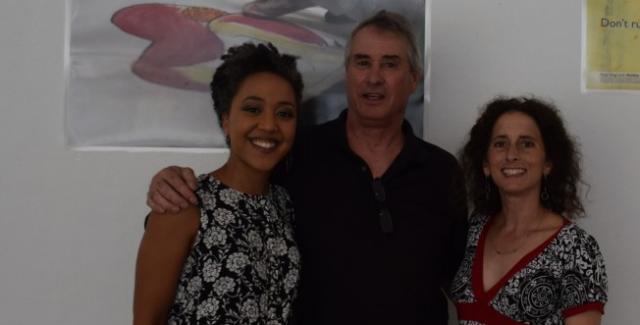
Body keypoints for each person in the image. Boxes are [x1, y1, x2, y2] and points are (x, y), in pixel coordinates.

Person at [146, 11, 468, 324]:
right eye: (362, 62)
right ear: (347, 73)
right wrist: (171, 186)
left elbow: (461, 277)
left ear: (414, 78)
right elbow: (231, 203)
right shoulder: (296, 153)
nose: (373, 77)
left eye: (390, 64)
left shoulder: (442, 172)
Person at [133, 43, 304, 324]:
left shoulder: (284, 204)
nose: (269, 125)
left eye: (284, 113)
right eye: (253, 109)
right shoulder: (183, 202)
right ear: (226, 119)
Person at [450, 97, 608, 324]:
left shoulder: (576, 249)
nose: (512, 154)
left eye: (527, 143)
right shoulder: (475, 229)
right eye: (500, 143)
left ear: (548, 163)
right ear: (486, 164)